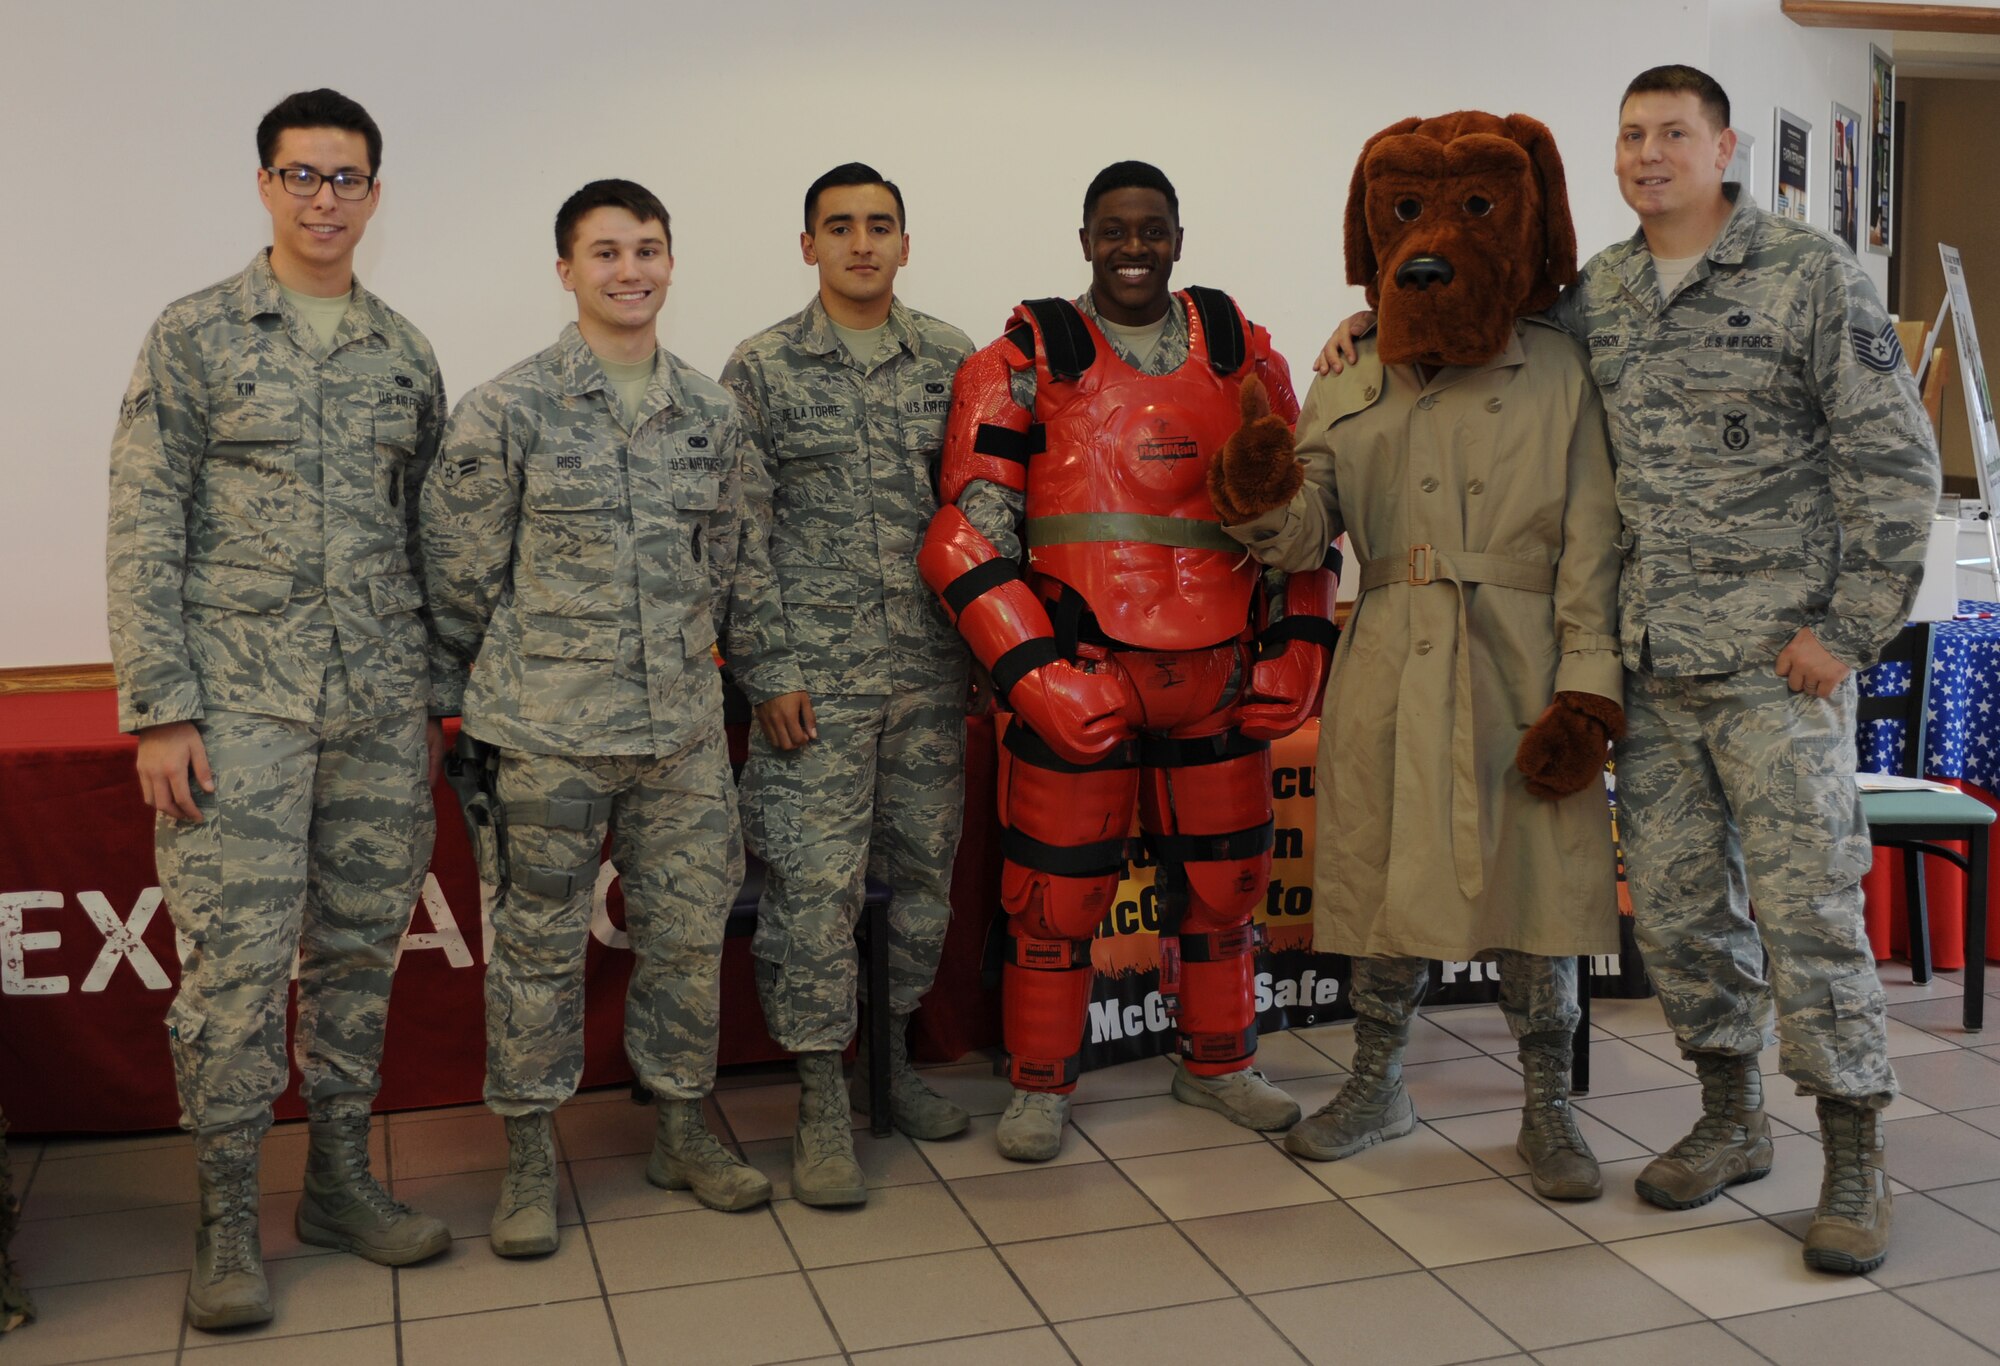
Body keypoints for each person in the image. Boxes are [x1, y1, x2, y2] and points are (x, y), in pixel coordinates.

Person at [1318, 66, 1941, 1273]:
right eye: (1629, 136)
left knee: (1808, 910)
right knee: (1679, 918)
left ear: (1723, 147)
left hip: (1776, 669)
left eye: (1671, 134)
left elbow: (1892, 459)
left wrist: (1850, 630)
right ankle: (1727, 1120)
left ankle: (1853, 1153)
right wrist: (1359, 319)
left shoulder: (1807, 275)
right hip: (1647, 671)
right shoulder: (1594, 293)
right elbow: (1475, 330)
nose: (1646, 154)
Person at [1216, 110, 1624, 1202]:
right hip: (1392, 653)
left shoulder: (1558, 373)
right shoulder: (1349, 377)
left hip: (1522, 662)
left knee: (1538, 889)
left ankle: (1548, 1110)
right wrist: (1262, 497)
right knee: (1386, 877)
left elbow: (1590, 543)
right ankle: (1374, 1080)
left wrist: (1586, 692)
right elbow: (1308, 540)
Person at [105, 88, 451, 1331]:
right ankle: (226, 1220)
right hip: (233, 711)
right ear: (263, 185)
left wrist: (432, 700)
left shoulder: (402, 350)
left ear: (374, 191)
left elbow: (430, 540)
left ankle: (342, 1184)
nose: (323, 198)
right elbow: (144, 520)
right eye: (301, 175)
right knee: (236, 975)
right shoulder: (194, 335)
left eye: (346, 177)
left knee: (359, 955)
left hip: (373, 705)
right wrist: (159, 707)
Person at [919, 162, 1335, 1160]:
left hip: (1219, 677)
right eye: (1114, 230)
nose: (1133, 248)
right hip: (1079, 671)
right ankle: (1037, 1085)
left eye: (1150, 229)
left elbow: (1303, 518)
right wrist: (1034, 677)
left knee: (1227, 888)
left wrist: (1298, 644)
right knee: (1054, 898)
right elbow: (963, 538)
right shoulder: (1019, 362)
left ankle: (1221, 1064)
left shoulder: (1244, 358)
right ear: (1085, 239)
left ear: (1177, 239)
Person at [421, 179, 769, 1256]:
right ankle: (528, 1159)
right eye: (606, 252)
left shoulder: (710, 413)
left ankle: (680, 1127)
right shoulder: (505, 408)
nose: (630, 271)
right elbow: (459, 577)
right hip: (543, 735)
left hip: (679, 737)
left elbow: (735, 565)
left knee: (683, 940)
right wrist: (514, 685)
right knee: (534, 951)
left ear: (671, 263)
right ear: (564, 268)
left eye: (648, 249)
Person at [721, 164, 975, 1205]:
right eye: (839, 227)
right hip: (811, 693)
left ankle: (892, 1065)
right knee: (813, 896)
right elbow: (739, 535)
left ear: (905, 245)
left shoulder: (956, 362)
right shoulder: (763, 369)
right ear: (807, 246)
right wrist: (769, 670)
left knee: (920, 880)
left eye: (879, 227)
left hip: (928, 672)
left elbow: (981, 515)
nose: (860, 243)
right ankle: (822, 1094)